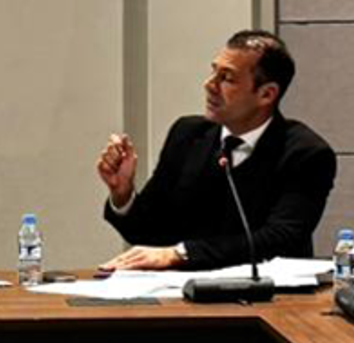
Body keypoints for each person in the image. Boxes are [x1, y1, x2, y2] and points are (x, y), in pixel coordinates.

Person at [98, 30, 336, 272]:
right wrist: (123, 194)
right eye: (214, 72)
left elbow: (280, 238)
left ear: (266, 94)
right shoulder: (188, 135)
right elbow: (151, 232)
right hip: (181, 290)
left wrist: (182, 254)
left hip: (268, 291)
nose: (210, 85)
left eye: (227, 78)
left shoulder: (306, 154)